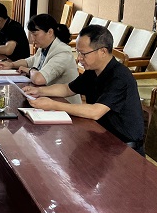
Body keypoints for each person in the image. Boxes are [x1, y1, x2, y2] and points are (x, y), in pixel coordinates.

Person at [23, 25, 145, 155]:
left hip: (124, 149)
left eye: (83, 53)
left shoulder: (120, 77)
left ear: (103, 52)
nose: (79, 58)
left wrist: (53, 105)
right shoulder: (92, 71)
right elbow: (67, 89)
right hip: (100, 137)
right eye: (78, 52)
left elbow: (95, 111)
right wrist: (40, 91)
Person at [0, 13, 81, 104]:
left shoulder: (63, 52)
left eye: (35, 35)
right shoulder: (44, 47)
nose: (32, 39)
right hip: (47, 98)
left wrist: (30, 70)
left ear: (50, 32)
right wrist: (11, 64)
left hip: (64, 103)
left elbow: (39, 79)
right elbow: (30, 61)